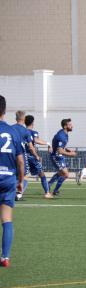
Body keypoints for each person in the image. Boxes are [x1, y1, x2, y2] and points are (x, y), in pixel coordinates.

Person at [0, 96, 25, 267]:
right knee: (7, 219)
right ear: (4, 111)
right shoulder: (13, 131)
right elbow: (21, 161)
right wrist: (20, 181)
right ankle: (5, 257)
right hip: (8, 178)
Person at [24, 115, 53, 198]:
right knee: (42, 174)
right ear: (33, 122)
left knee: (23, 175)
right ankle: (47, 193)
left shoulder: (22, 131)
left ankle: (18, 193)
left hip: (22, 156)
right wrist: (48, 143)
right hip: (32, 156)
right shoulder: (33, 132)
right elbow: (36, 140)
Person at [49, 119, 76, 195]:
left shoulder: (64, 133)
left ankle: (49, 185)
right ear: (65, 126)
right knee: (65, 174)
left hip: (59, 156)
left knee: (61, 173)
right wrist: (71, 154)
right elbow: (60, 151)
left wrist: (67, 149)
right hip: (56, 156)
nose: (72, 126)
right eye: (70, 125)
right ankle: (53, 190)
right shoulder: (62, 136)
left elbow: (59, 146)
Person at [11, 111, 34, 200]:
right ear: (24, 119)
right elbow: (31, 147)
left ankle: (11, 193)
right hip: (20, 156)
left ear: (16, 118)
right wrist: (36, 155)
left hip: (10, 156)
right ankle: (18, 194)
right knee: (24, 176)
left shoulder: (11, 128)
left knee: (13, 175)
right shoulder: (25, 131)